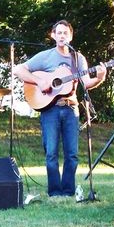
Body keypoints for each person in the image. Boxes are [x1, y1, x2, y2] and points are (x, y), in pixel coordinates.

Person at [14, 20, 107, 197]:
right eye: (59, 33)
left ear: (70, 37)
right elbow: (19, 70)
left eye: (65, 33)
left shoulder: (78, 58)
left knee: (72, 154)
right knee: (51, 153)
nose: (62, 36)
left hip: (72, 108)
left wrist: (100, 77)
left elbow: (86, 83)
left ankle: (68, 191)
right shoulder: (45, 56)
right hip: (51, 109)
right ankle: (55, 191)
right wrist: (40, 81)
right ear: (53, 35)